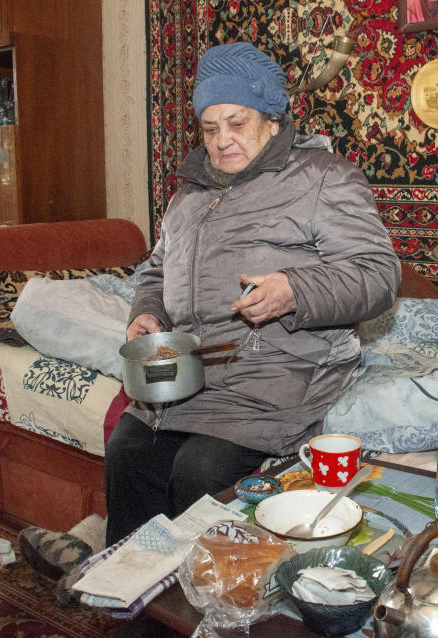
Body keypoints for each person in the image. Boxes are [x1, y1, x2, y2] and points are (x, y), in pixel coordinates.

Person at [104, 42, 401, 546]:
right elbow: (155, 271)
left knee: (199, 472)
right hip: (187, 373)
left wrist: (295, 289)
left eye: (237, 123)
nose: (222, 142)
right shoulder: (188, 194)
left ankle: (209, 605)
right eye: (210, 127)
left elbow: (379, 274)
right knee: (127, 455)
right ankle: (134, 598)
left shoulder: (323, 177)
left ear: (271, 118)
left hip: (276, 372)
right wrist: (148, 312)